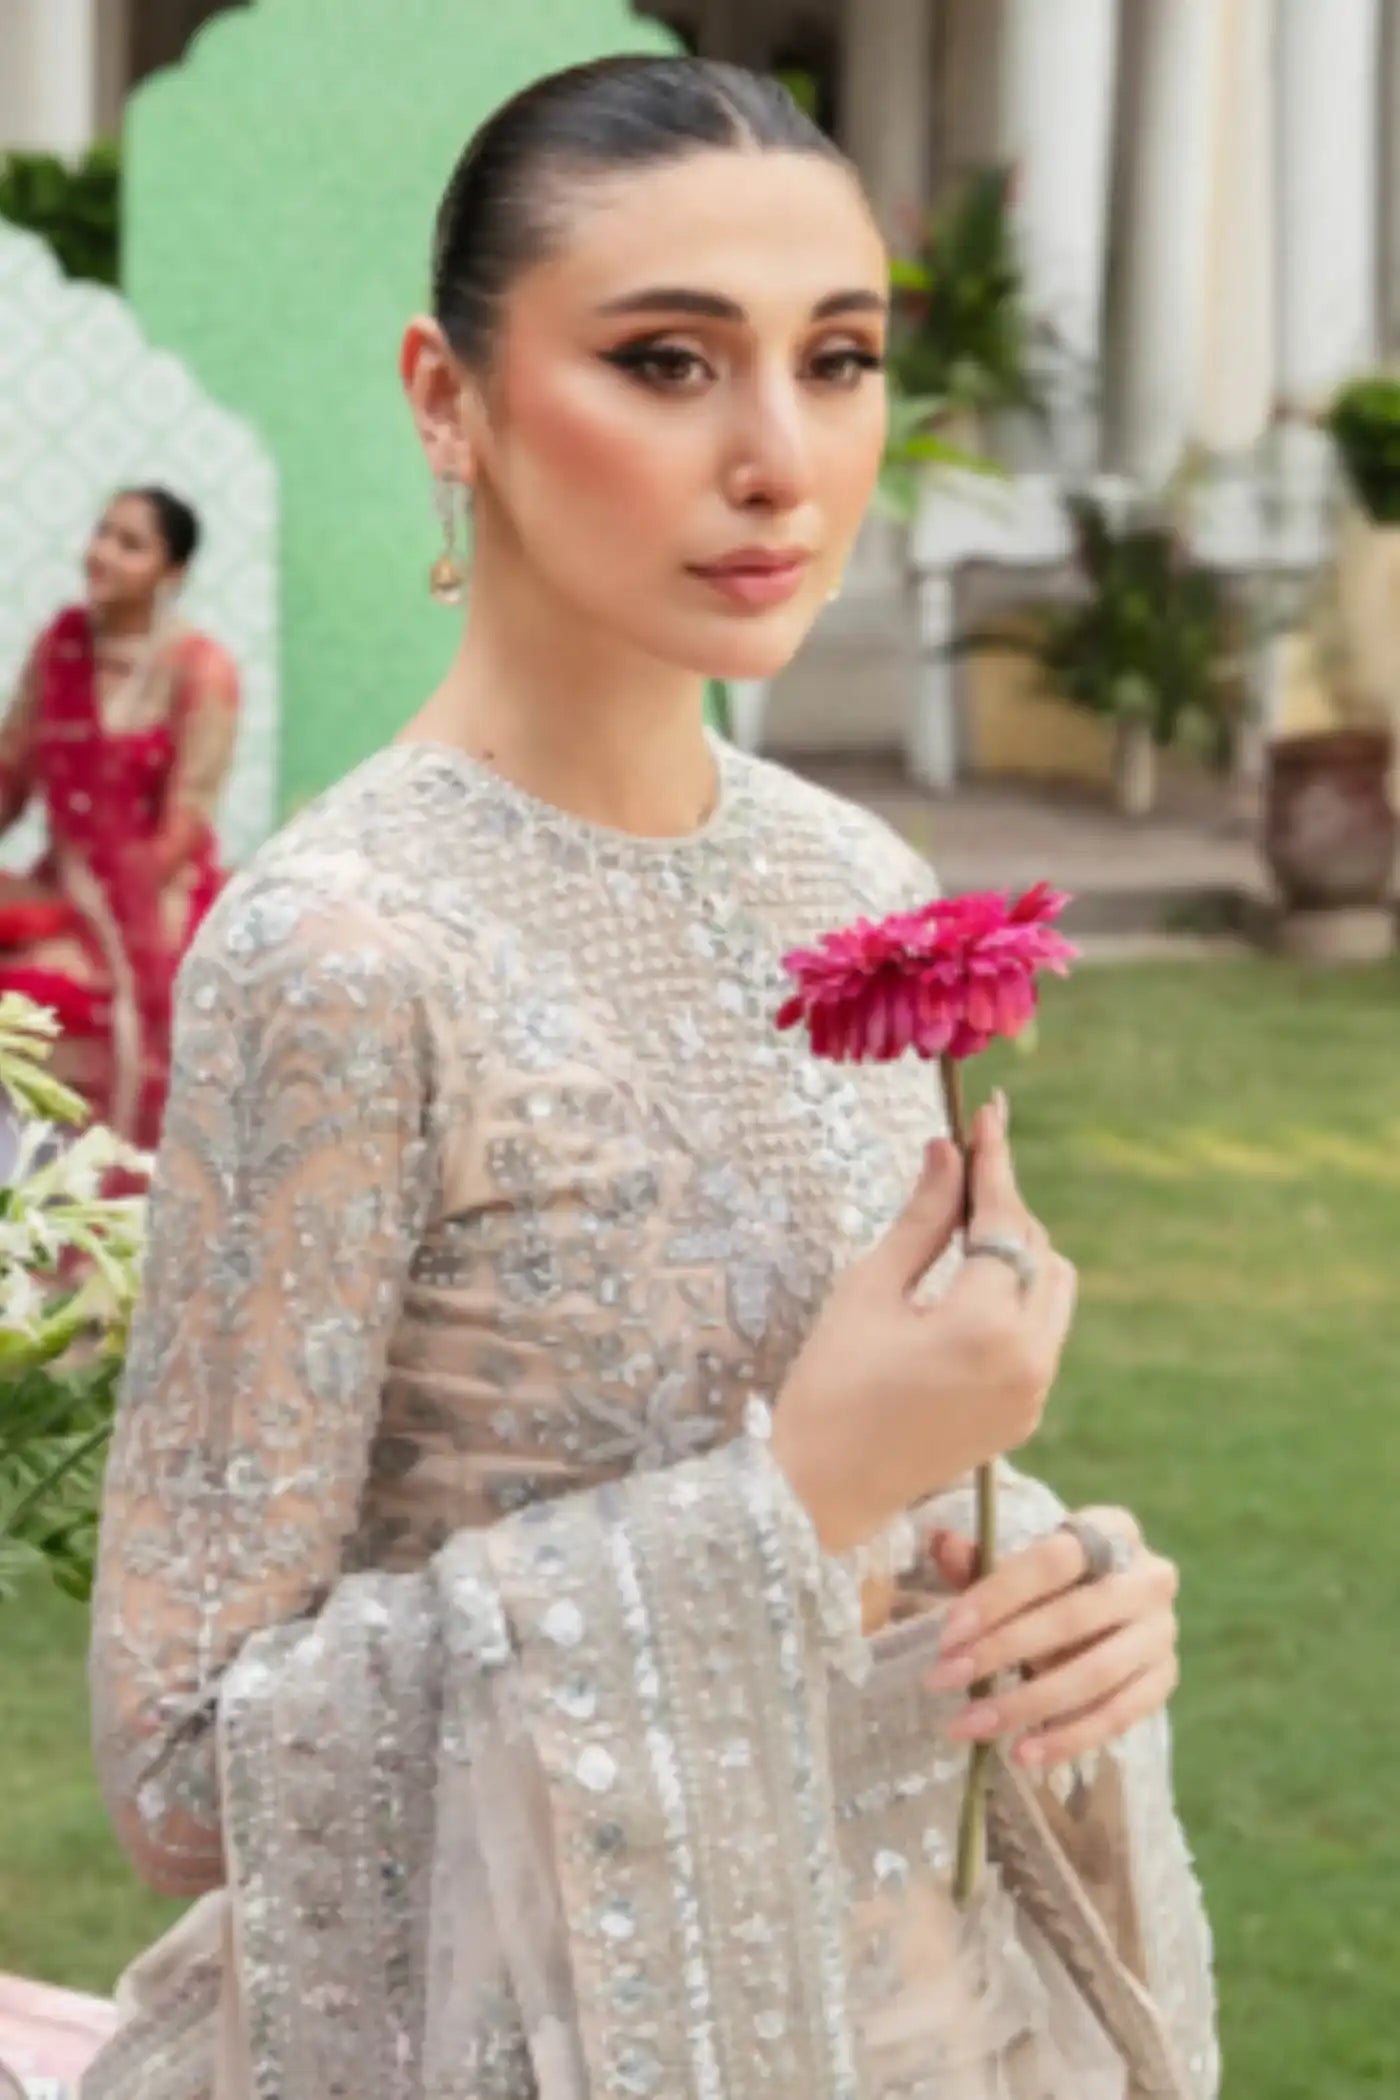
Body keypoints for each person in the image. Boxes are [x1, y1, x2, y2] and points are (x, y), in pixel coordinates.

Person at [84, 58, 1216, 2100]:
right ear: (449, 399)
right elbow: (179, 1774)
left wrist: (1050, 1585)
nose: (779, 460)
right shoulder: (342, 953)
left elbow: (868, 1487)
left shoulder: (854, 884)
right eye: (668, 362)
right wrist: (796, 1501)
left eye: (837, 360)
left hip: (913, 2027)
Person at [0, 489, 238, 1150]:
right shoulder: (60, 649)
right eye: (102, 533)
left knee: (58, 995)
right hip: (64, 884)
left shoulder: (202, 670)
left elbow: (187, 822)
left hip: (155, 895)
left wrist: (110, 918)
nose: (102, 553)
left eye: (130, 544)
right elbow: (10, 776)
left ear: (172, 572)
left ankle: (114, 1189)